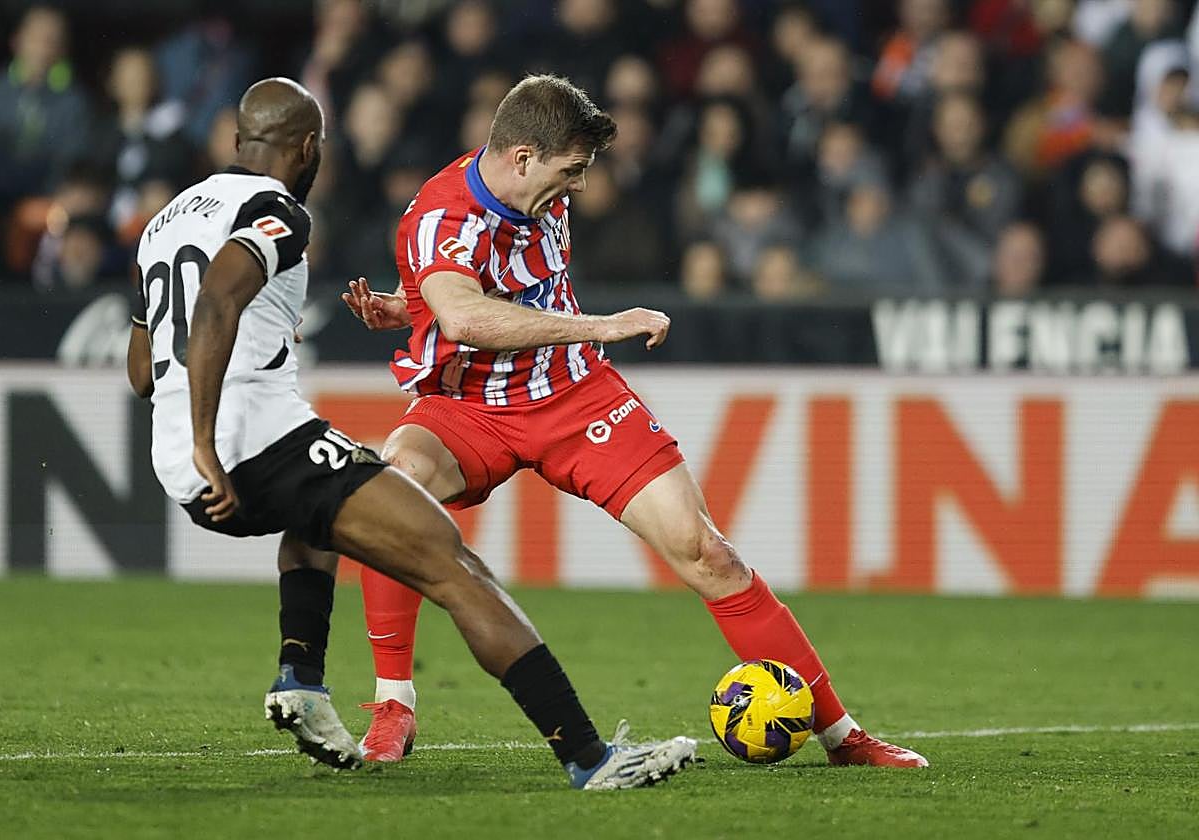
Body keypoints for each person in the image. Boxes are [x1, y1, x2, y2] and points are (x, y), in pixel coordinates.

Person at [124, 77, 697, 790]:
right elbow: (216, 300)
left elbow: (142, 369)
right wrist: (215, 437)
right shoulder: (279, 211)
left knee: (328, 508)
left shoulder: (164, 220)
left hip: (178, 459)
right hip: (245, 444)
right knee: (456, 569)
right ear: (309, 149)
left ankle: (300, 677)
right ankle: (592, 760)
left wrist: (200, 428)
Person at [342, 74, 930, 768]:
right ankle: (392, 708)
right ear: (522, 157)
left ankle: (842, 736)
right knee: (392, 488)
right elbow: (466, 316)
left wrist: (413, 303)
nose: (581, 188)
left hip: (572, 395)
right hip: (469, 406)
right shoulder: (445, 214)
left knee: (708, 553)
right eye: (572, 171)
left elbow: (471, 291)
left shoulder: (530, 187)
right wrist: (602, 323)